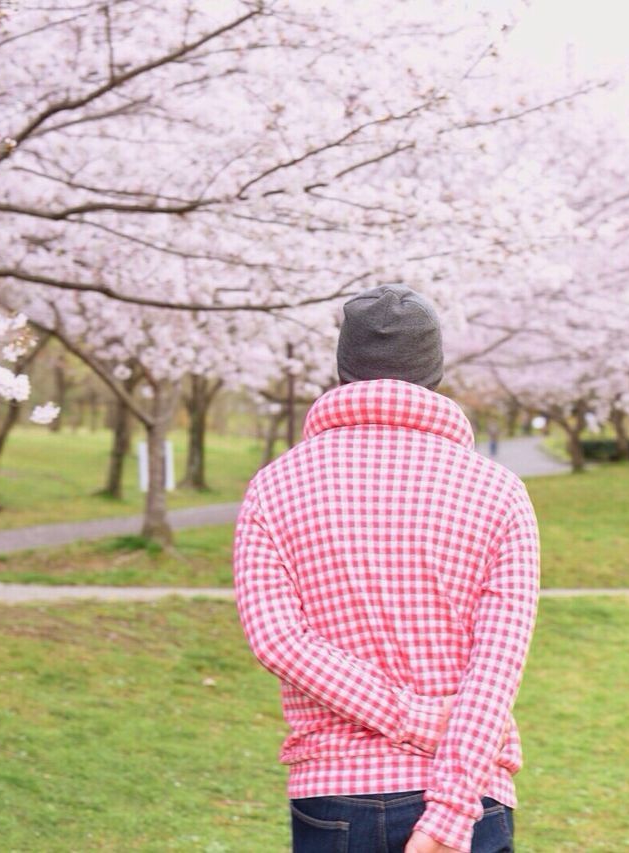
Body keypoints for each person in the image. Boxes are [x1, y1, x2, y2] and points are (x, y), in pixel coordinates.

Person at [233, 284, 540, 853]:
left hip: (334, 788)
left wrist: (404, 716)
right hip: (471, 787)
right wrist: (450, 810)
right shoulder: (499, 491)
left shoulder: (274, 485)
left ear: (344, 370)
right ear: (435, 373)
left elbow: (277, 639)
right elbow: (496, 668)